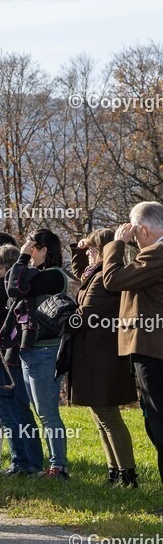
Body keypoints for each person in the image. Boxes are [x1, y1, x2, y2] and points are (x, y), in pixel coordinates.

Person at [68, 228, 139, 486]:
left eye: (92, 250)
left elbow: (85, 316)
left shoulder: (102, 279)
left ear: (103, 252)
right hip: (95, 356)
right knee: (100, 418)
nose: (88, 254)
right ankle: (114, 471)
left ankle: (127, 474)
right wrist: (79, 248)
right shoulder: (96, 274)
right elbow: (81, 273)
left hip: (101, 359)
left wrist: (62, 316)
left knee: (109, 417)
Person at [103, 201, 163, 491]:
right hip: (152, 350)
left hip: (154, 352)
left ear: (143, 230)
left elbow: (113, 279)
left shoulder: (157, 255)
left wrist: (117, 244)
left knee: (159, 424)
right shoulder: (152, 255)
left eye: (135, 234)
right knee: (155, 422)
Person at [6, 228, 71, 479]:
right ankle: (54, 464)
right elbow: (14, 284)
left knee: (48, 412)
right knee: (41, 411)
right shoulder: (36, 275)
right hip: (31, 350)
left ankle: (59, 467)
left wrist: (22, 258)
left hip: (45, 350)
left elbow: (13, 287)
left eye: (31, 247)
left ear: (44, 250)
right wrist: (24, 260)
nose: (27, 250)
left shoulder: (54, 276)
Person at [0, 242, 44, 476]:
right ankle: (31, 461)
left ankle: (22, 462)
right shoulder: (14, 289)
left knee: (9, 412)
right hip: (6, 357)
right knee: (20, 410)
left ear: (3, 268)